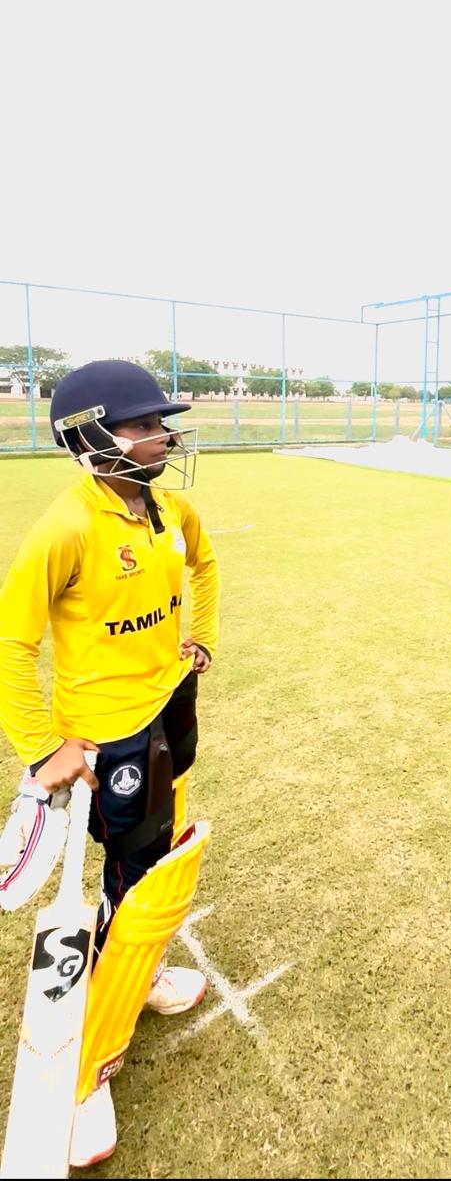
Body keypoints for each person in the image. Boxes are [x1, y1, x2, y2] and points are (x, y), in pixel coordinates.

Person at [0, 359, 220, 1169]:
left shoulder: (169, 506)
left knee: (146, 867)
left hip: (169, 708)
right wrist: (42, 747)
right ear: (89, 437)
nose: (163, 437)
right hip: (106, 738)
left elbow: (204, 565)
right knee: (132, 876)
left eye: (162, 424)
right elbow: (11, 642)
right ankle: (84, 1070)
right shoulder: (65, 528)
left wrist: (201, 638)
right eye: (144, 425)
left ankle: (139, 973)